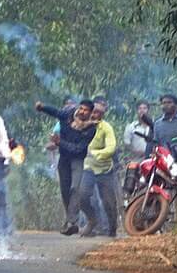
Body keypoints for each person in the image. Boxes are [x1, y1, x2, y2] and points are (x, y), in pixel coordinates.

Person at [35, 98, 97, 235]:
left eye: (86, 110)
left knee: (75, 188)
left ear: (91, 113)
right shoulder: (68, 114)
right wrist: (42, 107)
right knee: (64, 190)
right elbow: (56, 112)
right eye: (81, 108)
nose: (82, 112)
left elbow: (78, 149)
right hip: (63, 159)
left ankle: (72, 222)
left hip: (77, 160)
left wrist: (59, 143)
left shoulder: (91, 128)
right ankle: (70, 220)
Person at [68, 100, 118, 237]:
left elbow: (111, 147)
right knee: (82, 196)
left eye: (100, 113)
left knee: (108, 202)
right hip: (87, 169)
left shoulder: (106, 128)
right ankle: (92, 220)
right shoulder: (79, 125)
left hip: (104, 170)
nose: (96, 115)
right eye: (95, 112)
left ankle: (112, 229)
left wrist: (96, 154)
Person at [146, 94, 177, 159]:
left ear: (176, 105)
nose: (166, 105)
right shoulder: (157, 124)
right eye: (163, 103)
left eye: (169, 102)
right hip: (164, 161)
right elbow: (156, 144)